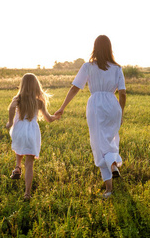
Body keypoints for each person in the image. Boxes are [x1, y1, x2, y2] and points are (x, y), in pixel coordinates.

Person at [55, 35, 126, 198]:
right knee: (111, 139)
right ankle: (113, 163)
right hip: (113, 105)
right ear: (109, 48)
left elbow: (75, 88)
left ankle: (109, 187)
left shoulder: (88, 67)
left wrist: (62, 107)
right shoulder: (117, 68)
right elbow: (122, 93)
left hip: (96, 106)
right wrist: (121, 112)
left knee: (99, 144)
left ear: (95, 48)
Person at [6, 73, 60, 201]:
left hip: (18, 130)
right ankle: (27, 193)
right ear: (36, 86)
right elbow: (49, 119)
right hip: (32, 132)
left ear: (22, 85)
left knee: (19, 148)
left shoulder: (17, 99)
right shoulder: (39, 103)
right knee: (29, 163)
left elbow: (11, 108)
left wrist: (10, 122)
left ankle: (17, 167)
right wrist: (56, 116)